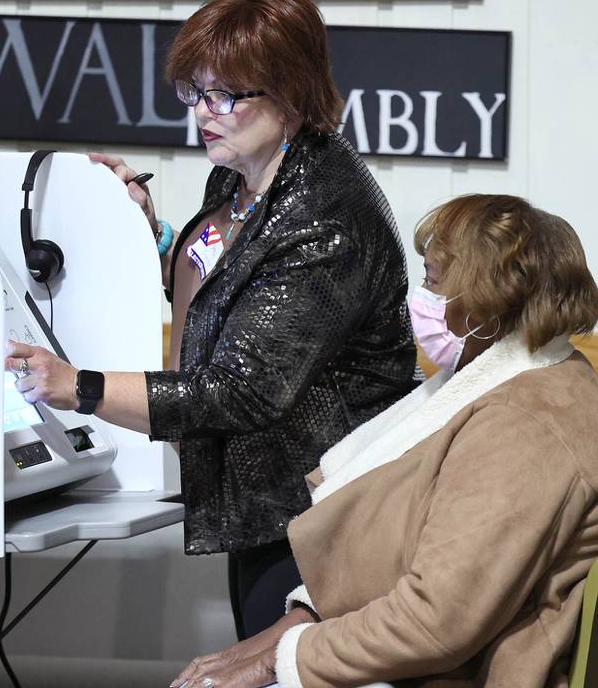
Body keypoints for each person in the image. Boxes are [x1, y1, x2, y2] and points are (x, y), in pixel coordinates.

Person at [5, 0, 417, 639]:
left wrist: (74, 385)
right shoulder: (243, 172)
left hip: (330, 523)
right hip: (272, 504)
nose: (204, 112)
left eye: (224, 94)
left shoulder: (323, 222)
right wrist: (146, 232)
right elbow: (225, 293)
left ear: (290, 89)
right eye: (194, 92)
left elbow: (241, 391)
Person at [172, 193, 598, 688]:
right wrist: (283, 632)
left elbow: (435, 620)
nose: (421, 298)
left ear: (488, 300)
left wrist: (277, 661)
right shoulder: (530, 381)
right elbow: (402, 549)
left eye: (433, 281)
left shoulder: (523, 425)